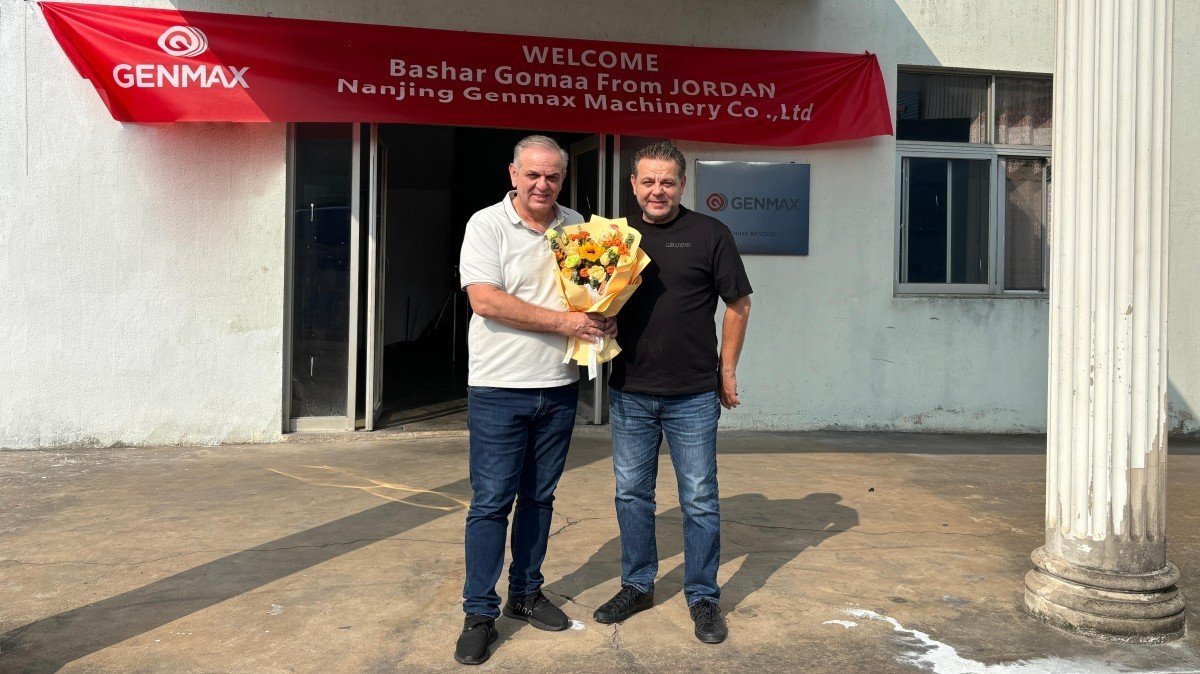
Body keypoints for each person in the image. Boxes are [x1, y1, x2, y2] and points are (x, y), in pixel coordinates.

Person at [454, 135, 615, 665]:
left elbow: (593, 290)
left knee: (540, 501)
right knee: (492, 503)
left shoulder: (578, 228)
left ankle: (525, 594)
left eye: (552, 176)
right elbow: (485, 300)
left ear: (562, 180)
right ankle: (480, 612)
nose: (542, 185)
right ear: (513, 174)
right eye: (532, 175)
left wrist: (603, 313)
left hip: (558, 386)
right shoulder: (486, 225)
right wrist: (567, 321)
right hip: (499, 388)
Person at [592, 141, 752, 644]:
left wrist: (726, 373)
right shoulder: (612, 239)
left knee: (700, 499)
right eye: (648, 181)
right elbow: (586, 296)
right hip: (630, 390)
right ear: (634, 185)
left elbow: (739, 305)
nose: (657, 190)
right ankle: (638, 585)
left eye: (667, 182)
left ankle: (703, 596)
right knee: (632, 495)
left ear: (682, 185)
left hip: (693, 394)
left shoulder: (711, 233)